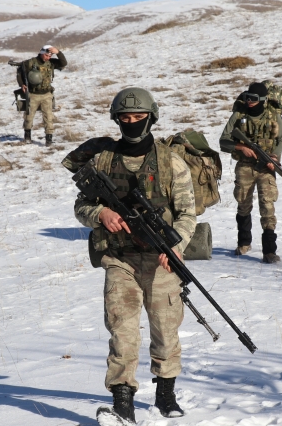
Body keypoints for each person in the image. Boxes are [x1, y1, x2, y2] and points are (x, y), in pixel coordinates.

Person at [73, 87, 197, 425]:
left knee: (165, 330)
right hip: (119, 260)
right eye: (124, 118)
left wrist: (177, 245)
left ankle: (165, 394)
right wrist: (100, 214)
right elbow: (81, 205)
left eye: (138, 117)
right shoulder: (102, 160)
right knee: (122, 330)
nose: (131, 123)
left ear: (151, 117)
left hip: (161, 261)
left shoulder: (171, 162)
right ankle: (122, 401)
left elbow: (187, 213)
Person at [219, 82, 282, 263]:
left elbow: (280, 141)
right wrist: (241, 147)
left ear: (263, 100)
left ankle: (269, 251)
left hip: (266, 166)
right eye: (247, 97)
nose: (249, 102)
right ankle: (244, 243)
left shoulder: (273, 117)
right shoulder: (239, 115)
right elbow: (223, 141)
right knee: (243, 203)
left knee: (267, 205)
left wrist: (275, 158)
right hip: (245, 166)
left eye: (254, 99)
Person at [16, 45, 67, 145]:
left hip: (47, 94)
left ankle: (49, 139)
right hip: (33, 94)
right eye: (46, 55)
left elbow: (63, 63)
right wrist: (22, 84)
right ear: (41, 53)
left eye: (50, 56)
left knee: (48, 117)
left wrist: (58, 52)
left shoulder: (51, 63)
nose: (48, 58)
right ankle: (27, 136)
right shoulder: (30, 63)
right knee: (28, 116)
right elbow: (19, 72)